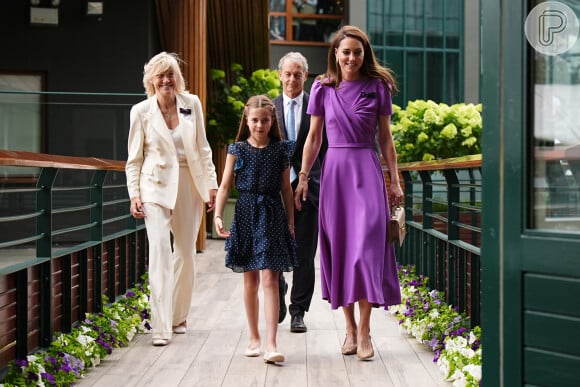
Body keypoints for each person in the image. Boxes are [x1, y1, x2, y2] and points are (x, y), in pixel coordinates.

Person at [294, 25, 404, 361]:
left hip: (367, 170)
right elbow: (314, 139)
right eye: (346, 52)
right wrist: (301, 176)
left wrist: (394, 179)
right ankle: (350, 328)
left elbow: (385, 138)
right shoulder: (321, 89)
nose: (352, 57)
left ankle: (367, 330)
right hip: (335, 173)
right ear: (336, 55)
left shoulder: (378, 86)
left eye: (357, 52)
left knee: (367, 248)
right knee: (341, 250)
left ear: (364, 54)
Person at [125, 52, 219, 347]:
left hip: (188, 185)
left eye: (171, 75)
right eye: (160, 75)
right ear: (151, 80)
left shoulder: (192, 105)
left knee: (186, 254)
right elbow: (133, 159)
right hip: (154, 186)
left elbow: (203, 149)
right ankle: (160, 326)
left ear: (178, 78)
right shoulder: (140, 111)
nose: (166, 80)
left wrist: (212, 186)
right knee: (160, 254)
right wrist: (134, 194)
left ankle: (178, 315)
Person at [214, 95, 298, 364]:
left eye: (265, 120)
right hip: (246, 212)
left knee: (270, 279)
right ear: (247, 121)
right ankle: (254, 338)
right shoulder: (236, 149)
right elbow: (225, 185)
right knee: (249, 279)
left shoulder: (281, 149)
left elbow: (286, 188)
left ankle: (272, 344)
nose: (259, 125)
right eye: (254, 120)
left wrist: (291, 222)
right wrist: (217, 215)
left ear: (272, 121)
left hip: (272, 213)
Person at [273, 52, 327, 333]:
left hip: (310, 188)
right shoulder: (269, 109)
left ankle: (298, 311)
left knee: (306, 252)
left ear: (306, 76)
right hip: (276, 190)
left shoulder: (318, 107)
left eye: (298, 74)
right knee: (276, 246)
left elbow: (326, 149)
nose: (292, 79)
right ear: (279, 75)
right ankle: (279, 287)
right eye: (288, 73)